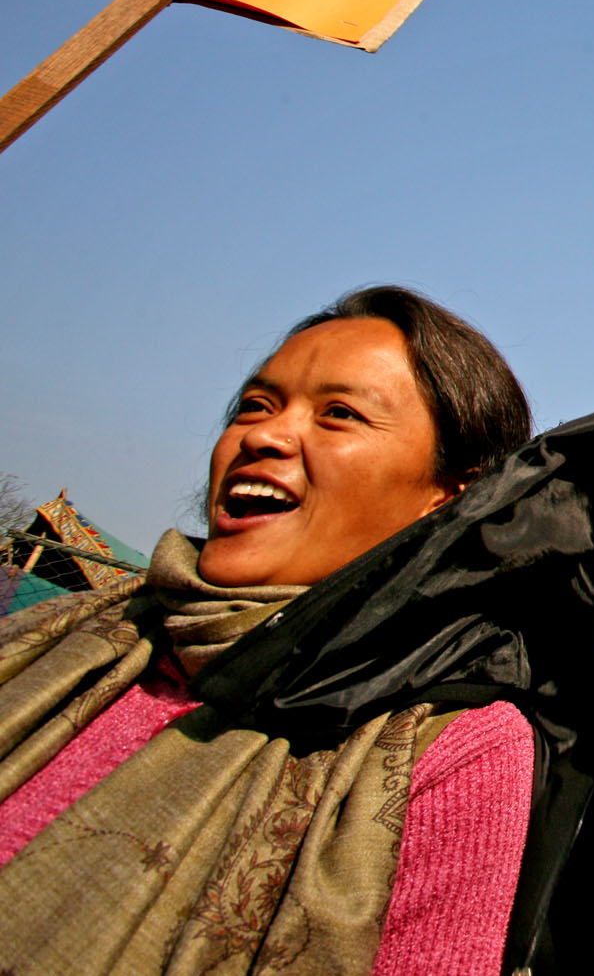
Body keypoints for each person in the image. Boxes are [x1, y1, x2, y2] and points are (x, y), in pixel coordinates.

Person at [0, 287, 536, 975]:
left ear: (450, 499)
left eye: (339, 414)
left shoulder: (455, 747)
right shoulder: (72, 633)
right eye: (255, 405)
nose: (262, 435)